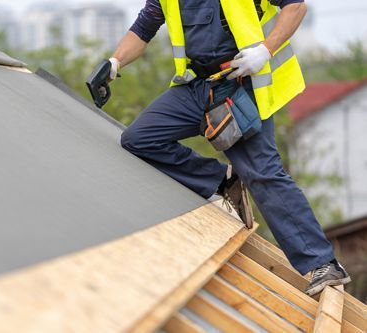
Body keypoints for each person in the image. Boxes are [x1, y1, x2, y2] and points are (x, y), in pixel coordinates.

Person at [98, 0, 351, 296]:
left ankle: (322, 263)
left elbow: (296, 7)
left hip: (239, 84)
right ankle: (223, 180)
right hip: (197, 87)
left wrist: (264, 51)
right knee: (139, 138)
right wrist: (114, 63)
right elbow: (143, 28)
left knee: (262, 172)